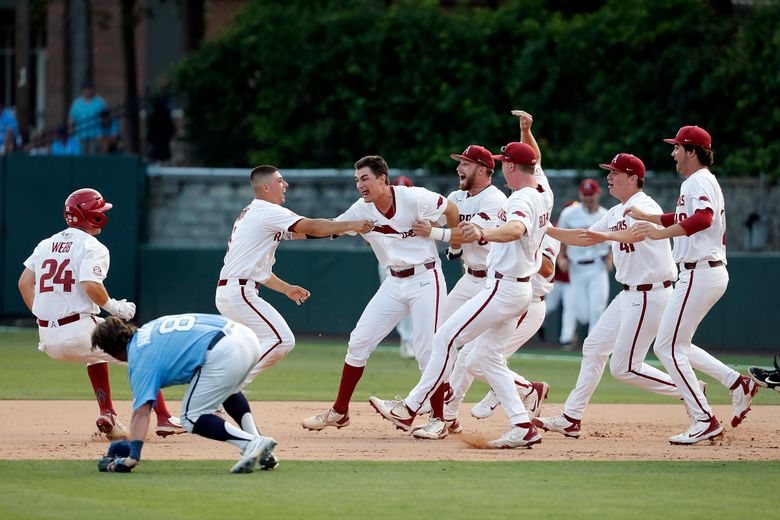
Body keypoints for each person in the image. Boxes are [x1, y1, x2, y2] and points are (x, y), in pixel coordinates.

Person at [369, 142, 550, 449]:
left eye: (504, 160)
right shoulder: (542, 192)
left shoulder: (518, 198)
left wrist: (483, 233)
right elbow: (535, 166)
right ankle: (522, 425)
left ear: (506, 167)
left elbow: (516, 229)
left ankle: (411, 408)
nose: (459, 167)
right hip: (508, 284)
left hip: (502, 286)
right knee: (486, 357)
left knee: (445, 340)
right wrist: (526, 132)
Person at [536, 153, 690, 439]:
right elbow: (585, 237)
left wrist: (605, 237)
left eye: (616, 172)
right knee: (593, 347)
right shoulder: (616, 211)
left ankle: (688, 389)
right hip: (629, 294)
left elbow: (636, 235)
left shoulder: (643, 205)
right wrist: (546, 229)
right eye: (610, 171)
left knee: (624, 368)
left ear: (633, 179)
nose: (609, 177)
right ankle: (571, 417)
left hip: (650, 293)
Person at [302, 155, 460, 431]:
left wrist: (444, 236)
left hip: (426, 277)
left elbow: (451, 207)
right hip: (394, 281)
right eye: (356, 181)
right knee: (359, 341)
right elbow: (328, 227)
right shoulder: (360, 209)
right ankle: (339, 411)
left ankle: (439, 419)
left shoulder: (414, 198)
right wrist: (297, 229)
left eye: (365, 179)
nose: (360, 185)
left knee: (426, 350)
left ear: (382, 178)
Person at [18, 188, 184, 439]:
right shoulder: (92, 246)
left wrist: (45, 315)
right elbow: (90, 284)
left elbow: (23, 283)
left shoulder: (46, 244)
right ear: (91, 215)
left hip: (48, 339)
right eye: (100, 210)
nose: (103, 214)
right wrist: (117, 308)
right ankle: (164, 418)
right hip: (79, 330)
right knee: (143, 350)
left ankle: (108, 415)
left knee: (97, 354)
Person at [627, 125, 758, 444]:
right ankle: (736, 383)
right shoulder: (701, 181)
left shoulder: (697, 180)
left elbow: (703, 218)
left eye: (677, 148)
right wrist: (654, 219)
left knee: (666, 347)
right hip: (703, 270)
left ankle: (703, 419)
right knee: (677, 345)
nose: (673, 153)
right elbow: (687, 215)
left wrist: (659, 233)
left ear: (691, 151)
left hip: (700, 271)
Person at [215, 165, 374, 397]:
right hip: (239, 293)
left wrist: (286, 288)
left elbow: (304, 234)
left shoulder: (254, 213)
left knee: (247, 347)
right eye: (280, 181)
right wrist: (349, 224)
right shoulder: (267, 211)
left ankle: (217, 395)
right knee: (281, 340)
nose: (285, 185)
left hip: (233, 290)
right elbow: (310, 225)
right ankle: (227, 390)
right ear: (266, 187)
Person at [91, 314, 277, 473]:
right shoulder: (149, 328)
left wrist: (133, 456)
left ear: (111, 350)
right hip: (244, 336)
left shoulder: (139, 357)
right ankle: (261, 446)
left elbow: (142, 412)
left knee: (191, 417)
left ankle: (251, 443)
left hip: (221, 349)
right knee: (228, 390)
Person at [556, 178, 611, 348]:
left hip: (597, 266)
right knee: (582, 314)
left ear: (598, 193)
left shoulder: (606, 214)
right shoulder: (569, 214)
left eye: (591, 194)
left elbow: (614, 240)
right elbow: (560, 238)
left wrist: (610, 257)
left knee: (597, 307)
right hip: (576, 266)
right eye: (585, 194)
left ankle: (593, 345)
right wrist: (561, 257)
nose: (588, 198)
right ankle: (584, 337)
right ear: (581, 194)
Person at [378, 175, 415, 359]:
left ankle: (410, 341)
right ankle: (405, 340)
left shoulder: (414, 206)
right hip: (388, 263)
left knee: (411, 304)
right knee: (397, 301)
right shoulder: (380, 207)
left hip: (414, 266)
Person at [68, 80, 107, 154]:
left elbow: (106, 119)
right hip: (80, 137)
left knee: (93, 160)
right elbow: (71, 120)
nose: (88, 91)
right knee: (81, 160)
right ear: (82, 90)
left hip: (95, 137)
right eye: (86, 89)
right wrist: (72, 133)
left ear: (93, 89)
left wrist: (103, 134)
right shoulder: (76, 103)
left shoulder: (100, 102)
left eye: (90, 88)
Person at [147, 95, 176, 163]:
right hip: (158, 147)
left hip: (162, 146)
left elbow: (171, 130)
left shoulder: (157, 118)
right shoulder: (155, 118)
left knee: (164, 161)